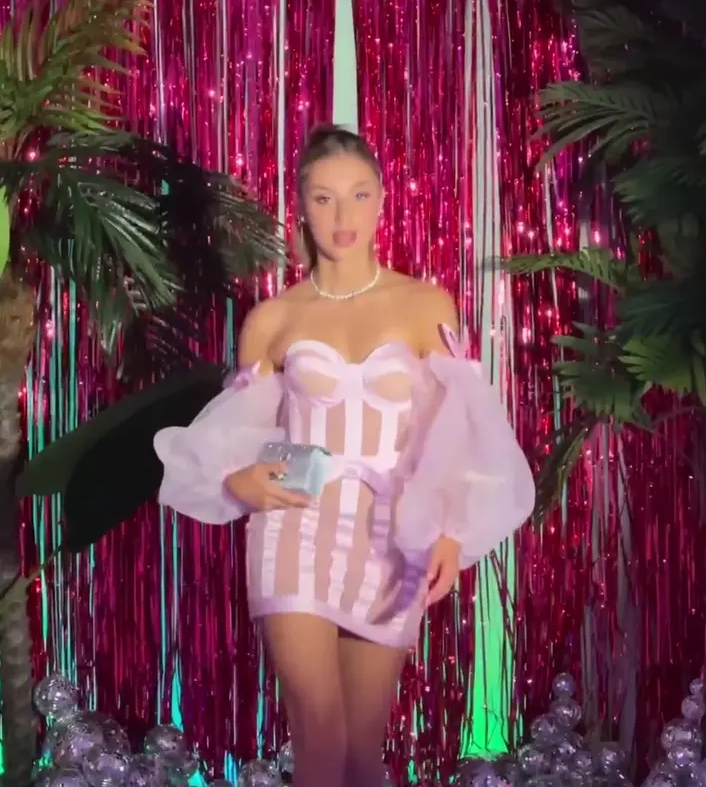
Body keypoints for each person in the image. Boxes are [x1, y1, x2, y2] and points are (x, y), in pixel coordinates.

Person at [154, 125, 535, 787]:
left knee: (361, 753)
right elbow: (234, 433)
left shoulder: (424, 305)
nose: (342, 216)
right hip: (294, 524)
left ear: (383, 200)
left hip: (391, 534)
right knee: (321, 733)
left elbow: (457, 429)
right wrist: (238, 480)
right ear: (301, 206)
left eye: (358, 195)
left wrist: (450, 527)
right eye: (324, 198)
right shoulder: (273, 320)